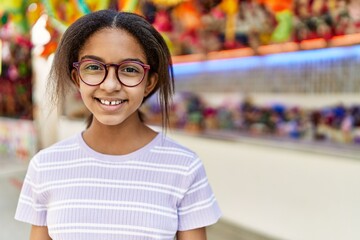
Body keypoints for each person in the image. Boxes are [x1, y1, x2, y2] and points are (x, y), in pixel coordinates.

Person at [15, 9, 221, 240]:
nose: (110, 85)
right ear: (76, 78)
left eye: (130, 69)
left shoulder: (184, 167)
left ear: (150, 82)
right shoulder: (45, 166)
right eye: (93, 67)